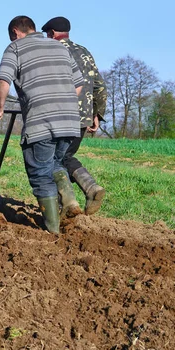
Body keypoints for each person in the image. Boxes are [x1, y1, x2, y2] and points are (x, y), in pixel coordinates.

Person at [0, 15, 84, 234]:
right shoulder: (59, 47)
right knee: (56, 163)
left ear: (15, 32)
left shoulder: (14, 49)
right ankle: (70, 203)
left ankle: (52, 230)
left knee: (41, 173)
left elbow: (3, 80)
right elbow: (79, 85)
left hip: (41, 122)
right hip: (70, 122)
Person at [41, 17, 107, 215]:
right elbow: (100, 87)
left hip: (59, 115)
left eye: (47, 35)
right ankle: (91, 188)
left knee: (50, 159)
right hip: (82, 117)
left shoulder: (52, 51)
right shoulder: (84, 51)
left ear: (52, 33)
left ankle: (69, 205)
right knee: (66, 155)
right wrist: (96, 113)